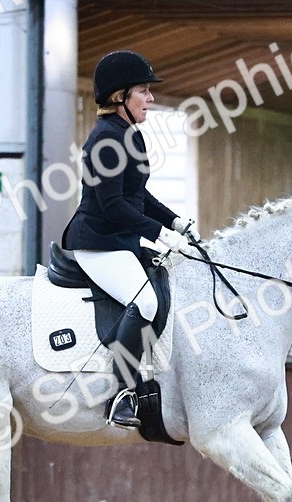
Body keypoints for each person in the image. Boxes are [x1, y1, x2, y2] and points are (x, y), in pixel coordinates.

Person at [62, 50, 200, 429]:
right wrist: (162, 235)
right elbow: (112, 207)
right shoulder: (105, 140)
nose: (151, 98)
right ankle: (121, 392)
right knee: (146, 301)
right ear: (120, 95)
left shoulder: (129, 135)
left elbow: (138, 197)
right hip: (98, 242)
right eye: (143, 91)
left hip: (120, 240)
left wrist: (175, 221)